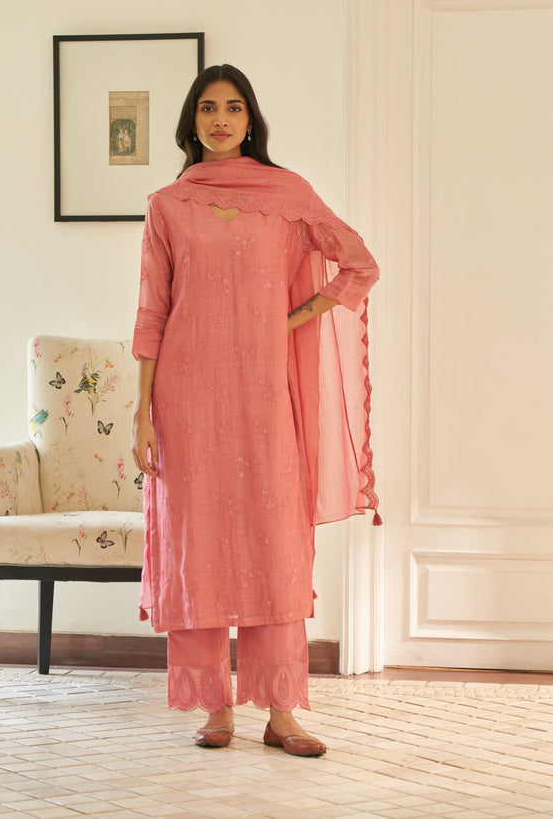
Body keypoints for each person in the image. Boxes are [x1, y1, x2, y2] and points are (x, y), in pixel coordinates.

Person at [131, 64, 379, 757]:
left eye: (234, 107)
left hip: (267, 395)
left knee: (274, 544)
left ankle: (282, 713)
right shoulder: (168, 205)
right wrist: (142, 410)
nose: (220, 119)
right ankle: (215, 708)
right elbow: (152, 310)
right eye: (208, 108)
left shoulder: (288, 195)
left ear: (251, 119)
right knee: (198, 544)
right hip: (185, 395)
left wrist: (292, 318)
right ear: (191, 121)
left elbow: (359, 264)